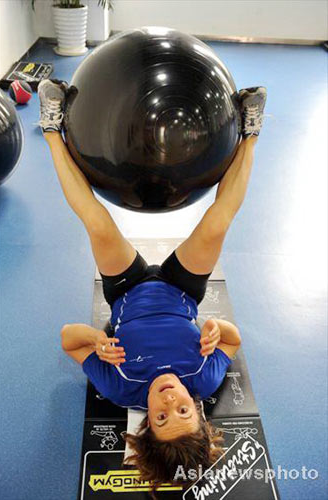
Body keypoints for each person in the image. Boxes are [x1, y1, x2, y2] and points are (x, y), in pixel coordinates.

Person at [38, 79, 267, 489]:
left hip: (126, 291)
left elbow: (67, 340)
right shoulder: (203, 378)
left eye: (161, 417)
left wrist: (94, 337)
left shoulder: (120, 387)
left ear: (145, 426)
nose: (169, 400)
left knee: (97, 224)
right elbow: (234, 340)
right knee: (216, 225)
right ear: (198, 411)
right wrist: (215, 327)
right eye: (184, 412)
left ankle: (52, 129)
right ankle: (250, 133)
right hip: (182, 292)